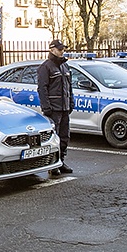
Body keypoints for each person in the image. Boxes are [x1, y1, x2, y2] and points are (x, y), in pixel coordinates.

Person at [38, 39, 74, 176]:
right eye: (59, 49)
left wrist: (71, 102)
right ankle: (52, 164)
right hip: (54, 109)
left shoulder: (65, 66)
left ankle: (61, 161)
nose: (62, 51)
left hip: (64, 107)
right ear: (51, 49)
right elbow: (42, 88)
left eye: (63, 49)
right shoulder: (46, 67)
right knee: (54, 138)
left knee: (65, 136)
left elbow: (69, 87)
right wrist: (46, 107)